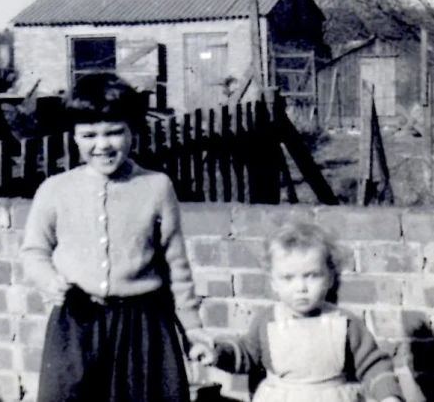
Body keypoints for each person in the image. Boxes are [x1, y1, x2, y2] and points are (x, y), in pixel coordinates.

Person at [21, 73, 210, 402]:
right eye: (89, 134)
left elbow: (176, 265)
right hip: (77, 324)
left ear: (132, 130)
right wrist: (48, 279)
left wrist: (192, 328)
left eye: (114, 132)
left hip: (143, 327)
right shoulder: (54, 190)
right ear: (74, 137)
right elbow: (34, 252)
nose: (103, 145)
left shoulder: (156, 187)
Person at [191, 222, 405, 402]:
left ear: (330, 278)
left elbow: (373, 365)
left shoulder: (345, 322)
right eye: (288, 278)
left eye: (312, 276)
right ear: (273, 282)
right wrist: (218, 353)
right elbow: (247, 354)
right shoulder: (268, 321)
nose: (301, 287)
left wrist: (388, 396)